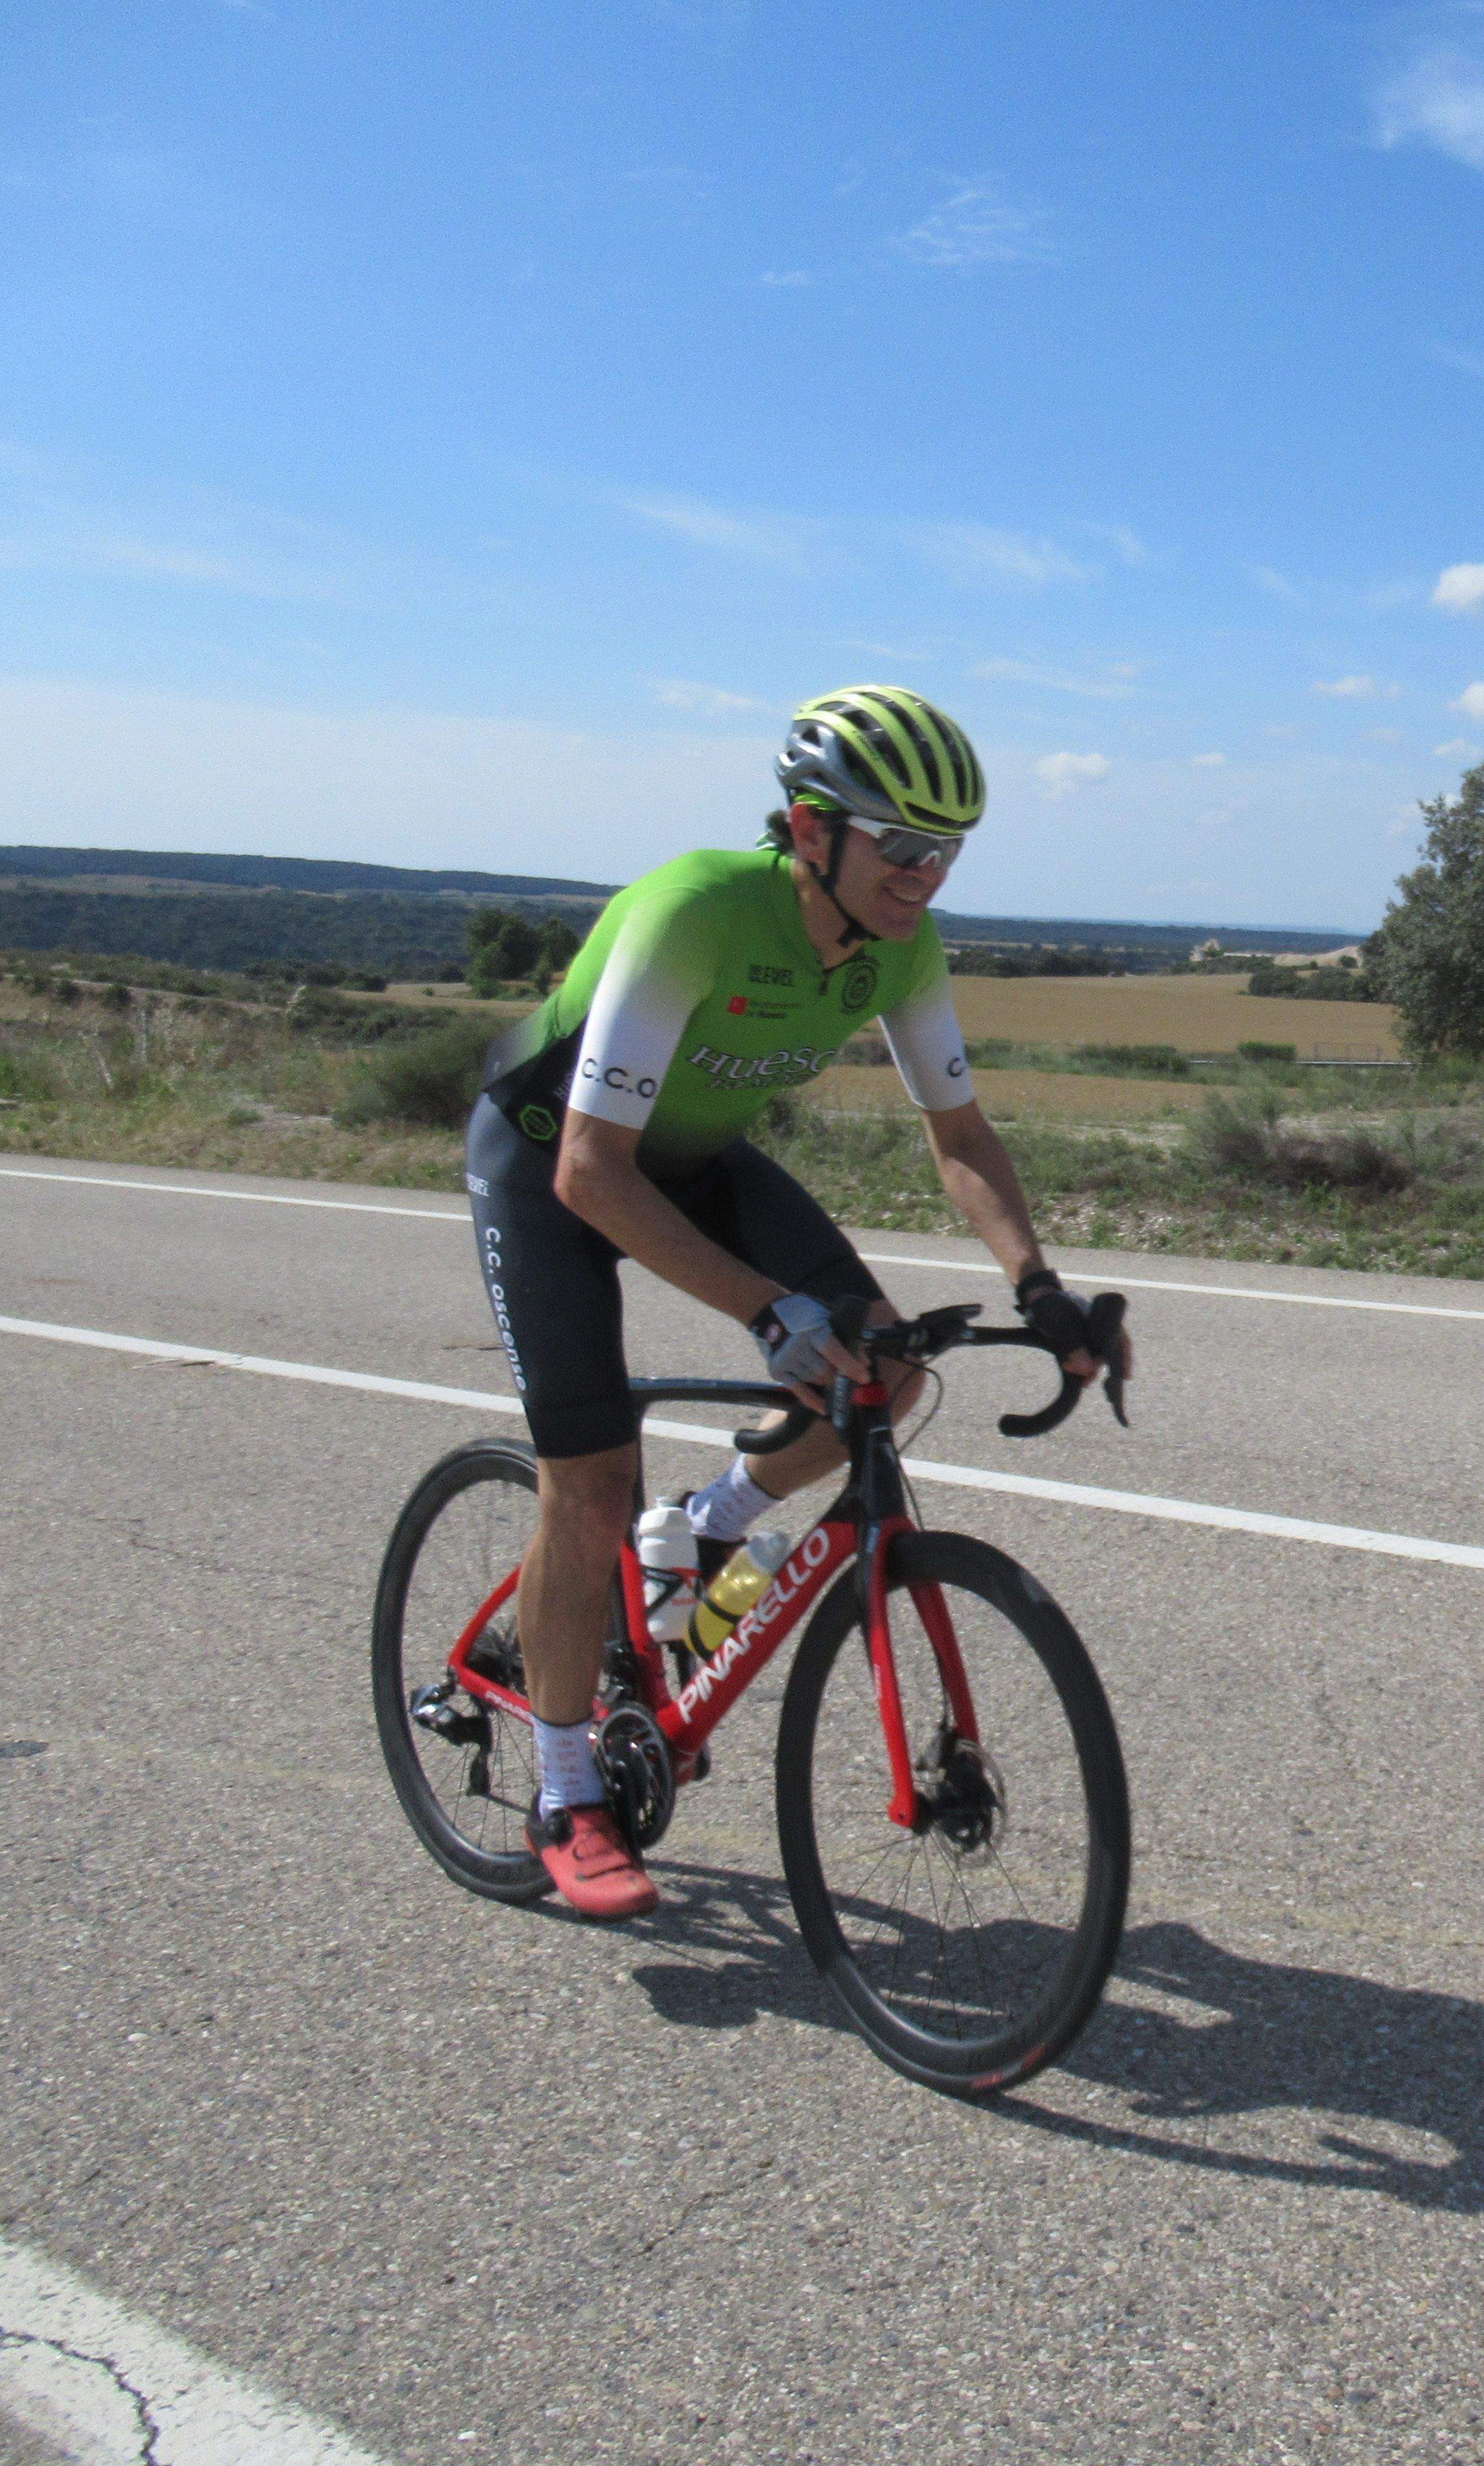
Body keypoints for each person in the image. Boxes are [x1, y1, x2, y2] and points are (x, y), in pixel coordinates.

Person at [464, 685, 1128, 1919]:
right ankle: (567, 1793)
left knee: (887, 1370)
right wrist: (772, 1314)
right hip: (555, 1163)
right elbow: (591, 1174)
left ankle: (707, 1526)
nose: (927, 877)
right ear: (810, 828)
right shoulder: (697, 913)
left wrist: (1035, 1286)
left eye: (949, 851)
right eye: (905, 846)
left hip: (696, 1162)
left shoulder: (903, 947)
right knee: (591, 1481)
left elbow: (961, 1132)